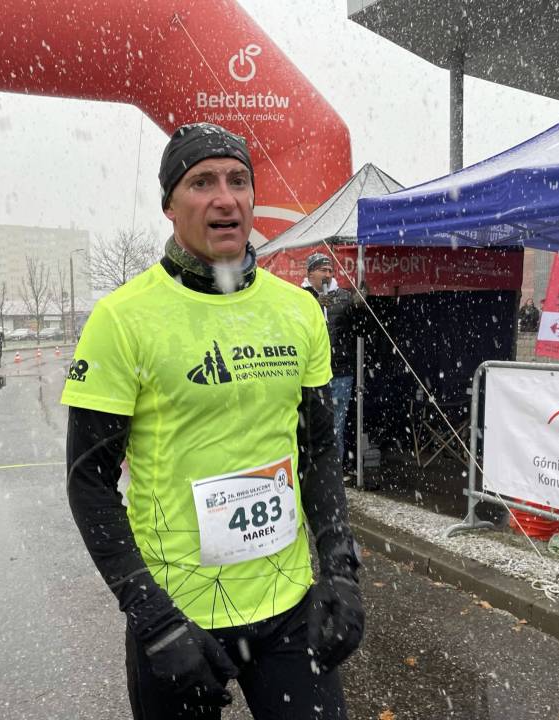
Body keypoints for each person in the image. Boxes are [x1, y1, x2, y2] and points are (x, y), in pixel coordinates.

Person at [62, 122, 363, 720]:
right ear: (170, 205)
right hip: (179, 617)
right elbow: (88, 483)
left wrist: (340, 568)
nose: (225, 198)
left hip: (287, 608)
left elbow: (318, 452)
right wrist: (152, 617)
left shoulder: (298, 310)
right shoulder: (123, 318)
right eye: (202, 182)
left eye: (238, 180)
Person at [301, 254, 363, 473]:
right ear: (310, 273)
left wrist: (360, 307)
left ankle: (333, 473)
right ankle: (311, 472)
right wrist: (314, 305)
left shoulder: (344, 297)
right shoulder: (299, 297)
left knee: (336, 425)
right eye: (323, 270)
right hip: (309, 373)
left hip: (339, 371)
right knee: (310, 424)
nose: (328, 275)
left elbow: (360, 328)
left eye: (330, 271)